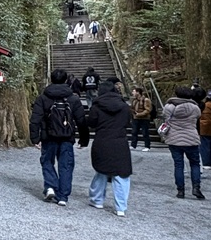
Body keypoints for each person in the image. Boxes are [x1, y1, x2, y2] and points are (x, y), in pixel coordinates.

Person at [29, 69, 90, 206]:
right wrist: (84, 139)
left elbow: (35, 119)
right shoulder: (73, 99)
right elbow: (81, 120)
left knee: (47, 161)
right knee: (66, 166)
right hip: (66, 137)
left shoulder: (43, 98)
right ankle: (63, 196)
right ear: (66, 80)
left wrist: (35, 138)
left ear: (51, 79)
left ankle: (50, 187)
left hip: (48, 136)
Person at [86, 81, 133, 217]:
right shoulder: (124, 106)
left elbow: (92, 123)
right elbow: (127, 122)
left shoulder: (96, 106)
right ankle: (121, 207)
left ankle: (97, 200)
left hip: (102, 140)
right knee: (121, 174)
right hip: (119, 141)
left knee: (101, 170)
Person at [163, 86, 204, 199]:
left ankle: (180, 190)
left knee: (178, 164)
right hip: (191, 138)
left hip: (174, 138)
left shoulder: (169, 107)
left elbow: (165, 118)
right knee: (195, 164)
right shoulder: (195, 107)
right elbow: (198, 116)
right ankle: (196, 187)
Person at [129, 87, 153, 151]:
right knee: (134, 132)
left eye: (134, 91)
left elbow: (148, 110)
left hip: (144, 119)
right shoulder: (134, 100)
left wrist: (139, 114)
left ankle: (147, 146)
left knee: (145, 132)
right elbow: (132, 108)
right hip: (135, 118)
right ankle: (133, 145)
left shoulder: (146, 100)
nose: (132, 93)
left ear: (137, 92)